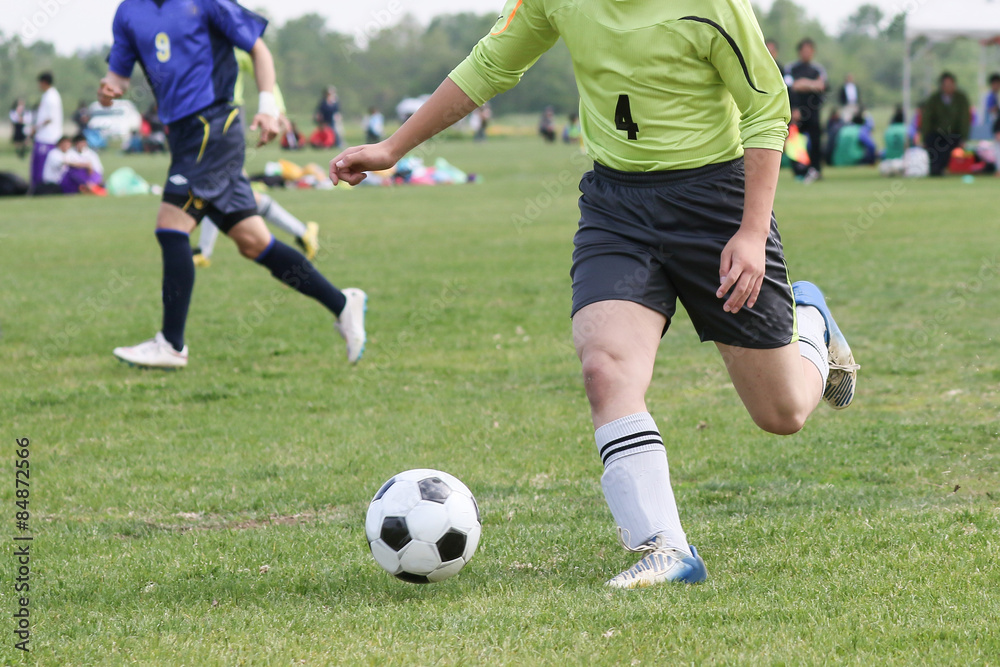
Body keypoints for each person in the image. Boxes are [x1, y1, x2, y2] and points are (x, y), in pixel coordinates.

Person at [330, 0, 859, 589]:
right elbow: (489, 66)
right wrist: (392, 149)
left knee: (781, 413)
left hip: (716, 202)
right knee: (604, 367)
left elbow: (767, 109)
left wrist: (752, 233)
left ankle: (810, 316)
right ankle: (663, 547)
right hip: (618, 207)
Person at [100, 0, 366, 369]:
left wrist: (269, 106)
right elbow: (118, 77)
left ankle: (171, 344)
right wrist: (109, 90)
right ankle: (342, 303)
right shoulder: (129, 11)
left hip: (215, 125)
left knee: (171, 225)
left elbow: (259, 49)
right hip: (180, 135)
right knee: (254, 242)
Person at [192, 47, 321, 269]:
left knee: (215, 184)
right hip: (199, 122)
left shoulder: (228, 34)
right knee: (234, 189)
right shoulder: (189, 34)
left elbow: (260, 63)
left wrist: (275, 108)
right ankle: (302, 231)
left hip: (225, 120)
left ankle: (204, 251)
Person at [785, 38, 828, 178]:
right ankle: (800, 170)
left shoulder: (818, 69)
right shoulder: (791, 68)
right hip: (797, 111)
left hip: (813, 111)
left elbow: (822, 86)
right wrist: (812, 85)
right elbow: (792, 87)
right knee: (795, 141)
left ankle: (816, 170)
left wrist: (803, 83)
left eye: (809, 50)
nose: (807, 53)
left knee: (816, 141)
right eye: (804, 50)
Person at [919, 72, 971, 177]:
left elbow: (964, 119)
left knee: (946, 149)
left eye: (950, 85)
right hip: (936, 132)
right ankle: (934, 169)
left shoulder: (961, 99)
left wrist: (964, 137)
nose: (948, 87)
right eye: (945, 85)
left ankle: (940, 169)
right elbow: (927, 119)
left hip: (953, 133)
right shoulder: (934, 99)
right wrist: (924, 138)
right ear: (941, 86)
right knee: (932, 146)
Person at [30, 72, 64, 193]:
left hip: (47, 137)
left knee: (41, 166)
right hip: (45, 137)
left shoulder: (51, 97)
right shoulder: (49, 95)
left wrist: (35, 128)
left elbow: (49, 118)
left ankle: (40, 189)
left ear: (44, 82)